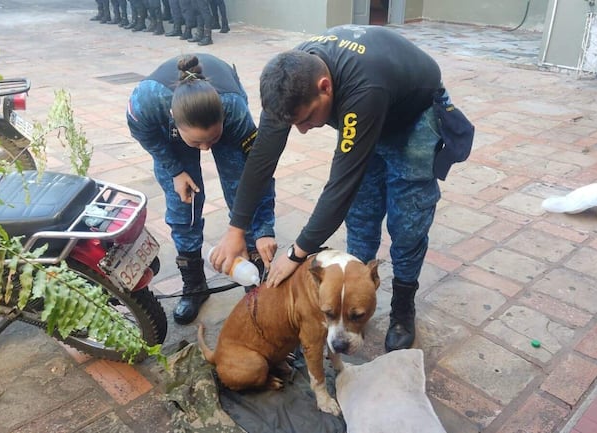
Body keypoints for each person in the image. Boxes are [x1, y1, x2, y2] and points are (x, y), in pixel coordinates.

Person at [209, 25, 472, 352]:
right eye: (295, 124)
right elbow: (262, 158)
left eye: (306, 119)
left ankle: (403, 306)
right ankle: (354, 297)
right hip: (364, 107)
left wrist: (297, 253)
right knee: (361, 216)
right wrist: (237, 228)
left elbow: (339, 186)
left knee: (408, 222)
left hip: (411, 116)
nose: (303, 131)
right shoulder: (289, 82)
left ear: (325, 87)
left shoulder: (363, 88)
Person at [127, 54, 277, 325]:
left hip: (224, 113)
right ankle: (194, 285)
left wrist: (264, 227)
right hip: (172, 138)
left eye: (213, 139)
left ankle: (253, 275)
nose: (207, 148)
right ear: (173, 119)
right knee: (184, 202)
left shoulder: (233, 110)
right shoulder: (148, 101)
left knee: (240, 188)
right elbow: (143, 132)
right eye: (198, 143)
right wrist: (174, 169)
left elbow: (258, 174)